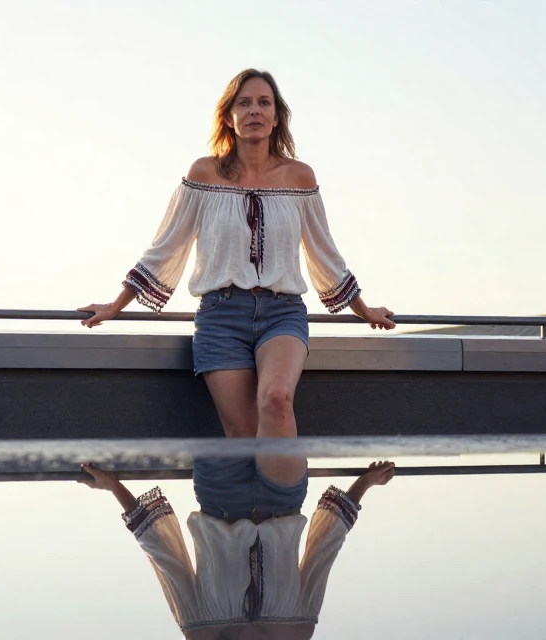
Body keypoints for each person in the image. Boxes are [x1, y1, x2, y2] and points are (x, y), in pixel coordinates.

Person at [78, 68, 396, 485]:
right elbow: (165, 247)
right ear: (228, 116)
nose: (254, 111)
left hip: (282, 313)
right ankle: (249, 538)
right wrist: (114, 305)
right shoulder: (204, 173)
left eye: (264, 103)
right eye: (243, 103)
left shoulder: (300, 178)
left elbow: (326, 254)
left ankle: (284, 534)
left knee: (278, 399)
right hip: (220, 317)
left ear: (277, 116)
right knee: (243, 437)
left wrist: (363, 309)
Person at [79, 460, 397, 639]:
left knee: (224, 397)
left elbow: (165, 555)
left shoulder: (200, 631)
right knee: (275, 401)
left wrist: (114, 486)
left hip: (219, 495)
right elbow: (323, 552)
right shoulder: (299, 631)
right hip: (284, 495)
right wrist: (363, 484)